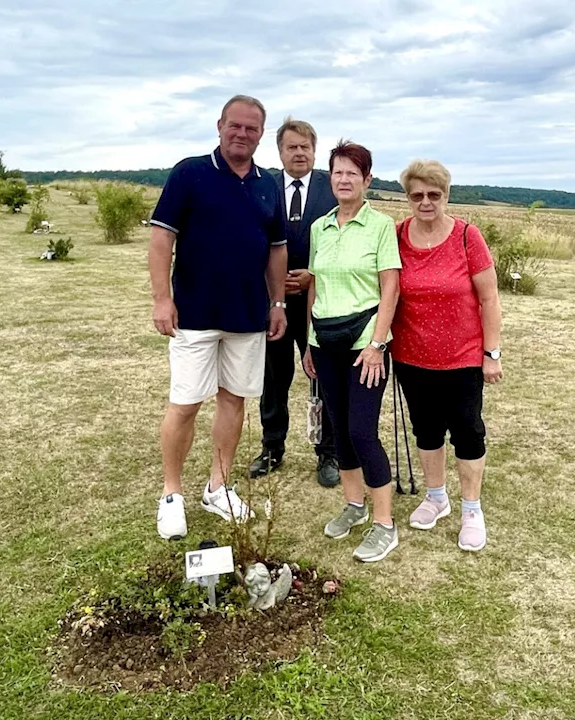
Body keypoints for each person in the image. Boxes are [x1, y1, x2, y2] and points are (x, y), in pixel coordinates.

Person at [148, 94, 288, 541]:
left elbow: (277, 250)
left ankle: (219, 487)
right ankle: (172, 496)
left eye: (251, 128)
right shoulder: (190, 172)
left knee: (234, 401)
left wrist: (277, 303)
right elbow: (160, 241)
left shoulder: (269, 184)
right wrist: (161, 299)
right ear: (219, 125)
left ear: (261, 134)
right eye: (235, 125)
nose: (242, 134)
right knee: (186, 403)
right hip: (194, 313)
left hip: (248, 316)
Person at [391, 160, 503, 552]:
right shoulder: (397, 235)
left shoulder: (467, 236)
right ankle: (436, 497)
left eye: (433, 195)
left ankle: (471, 509)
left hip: (463, 357)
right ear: (407, 198)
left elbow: (489, 298)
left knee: (468, 432)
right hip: (411, 355)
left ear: (446, 196)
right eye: (417, 195)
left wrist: (492, 353)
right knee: (426, 429)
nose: (426, 202)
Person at [302, 140, 402, 563]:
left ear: (367, 180)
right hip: (325, 343)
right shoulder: (319, 228)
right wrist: (308, 341)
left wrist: (378, 344)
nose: (344, 180)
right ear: (331, 178)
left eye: (352, 173)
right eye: (337, 172)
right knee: (338, 430)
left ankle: (385, 525)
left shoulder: (380, 226)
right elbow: (314, 285)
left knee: (362, 431)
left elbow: (391, 286)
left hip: (366, 345)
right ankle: (354, 505)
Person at [249, 117, 341, 488]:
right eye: (292, 147)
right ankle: (272, 447)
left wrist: (312, 275)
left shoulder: (331, 187)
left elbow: (341, 241)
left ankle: (328, 452)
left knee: (322, 377)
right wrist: (272, 283)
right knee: (274, 378)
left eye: (306, 147)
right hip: (273, 302)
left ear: (314, 151)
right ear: (280, 151)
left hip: (318, 302)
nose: (299, 153)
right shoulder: (262, 186)